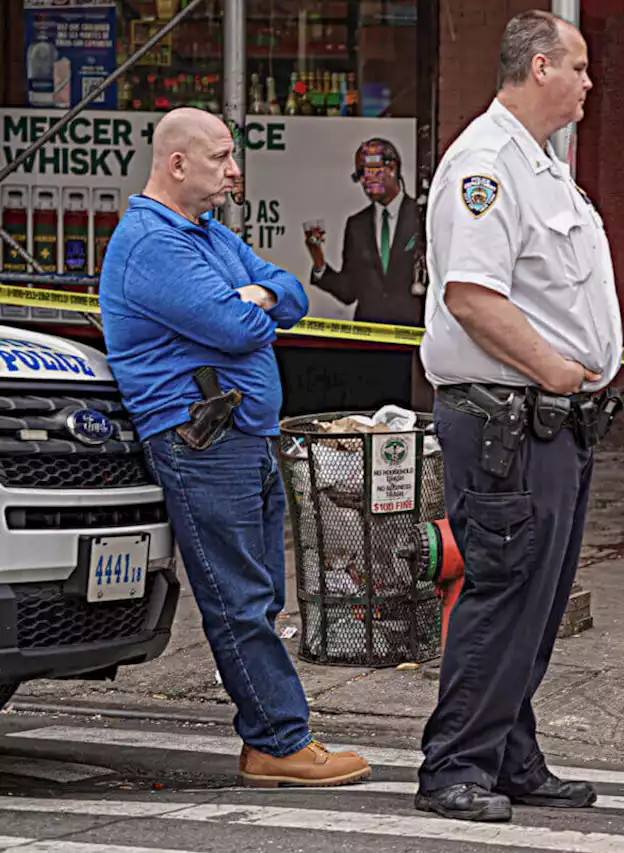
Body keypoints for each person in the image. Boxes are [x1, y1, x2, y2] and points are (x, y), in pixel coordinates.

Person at [98, 107, 372, 788]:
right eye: (220, 157)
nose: (234, 171)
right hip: (202, 438)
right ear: (177, 164)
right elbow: (240, 326)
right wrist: (250, 301)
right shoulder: (151, 244)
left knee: (261, 592)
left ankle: (271, 736)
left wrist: (257, 292)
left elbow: (293, 294)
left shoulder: (209, 235)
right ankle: (280, 740)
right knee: (238, 597)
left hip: (242, 434)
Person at [413, 10, 623, 823]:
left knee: (538, 599)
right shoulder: (486, 163)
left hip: (553, 420)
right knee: (502, 594)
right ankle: (455, 764)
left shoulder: (540, 164)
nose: (587, 82)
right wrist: (557, 370)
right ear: (539, 68)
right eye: (577, 67)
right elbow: (470, 294)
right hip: (511, 417)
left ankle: (508, 751)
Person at [306, 137, 425, 325]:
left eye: (368, 172)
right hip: (368, 339)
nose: (363, 180)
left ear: (392, 169)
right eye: (359, 175)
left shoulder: (421, 217)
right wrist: (318, 259)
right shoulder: (356, 225)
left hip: (412, 338)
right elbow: (349, 292)